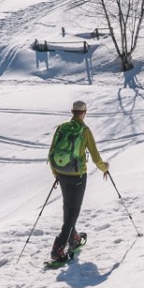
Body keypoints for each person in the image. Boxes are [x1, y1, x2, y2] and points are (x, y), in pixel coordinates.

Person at [49, 100, 109, 262]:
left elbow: (51, 152)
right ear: (84, 113)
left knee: (68, 206)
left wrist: (56, 173)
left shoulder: (61, 128)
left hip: (61, 172)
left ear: (72, 111)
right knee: (73, 211)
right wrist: (105, 168)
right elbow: (96, 158)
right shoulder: (84, 130)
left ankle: (73, 238)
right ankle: (58, 248)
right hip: (77, 175)